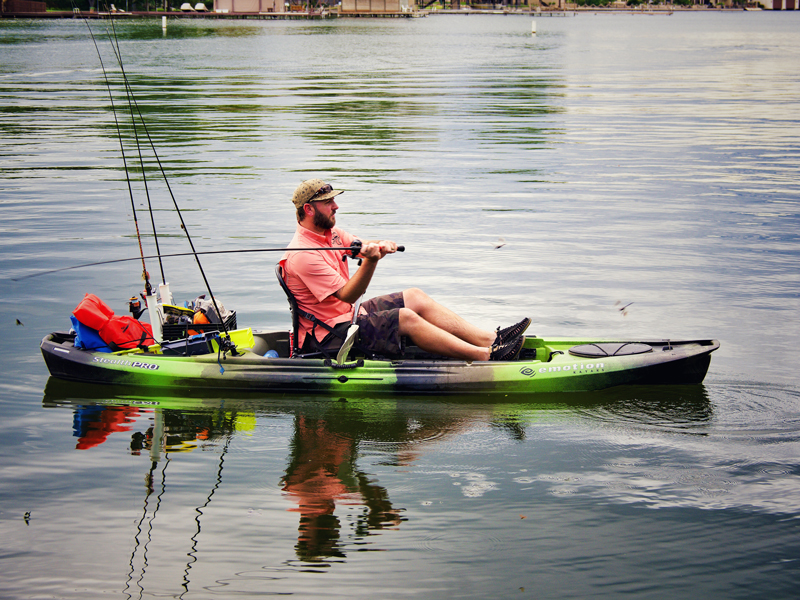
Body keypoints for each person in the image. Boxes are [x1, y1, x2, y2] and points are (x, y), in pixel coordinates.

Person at [280, 179, 530, 361]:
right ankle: (486, 356)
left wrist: (379, 245)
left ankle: (491, 339)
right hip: (329, 333)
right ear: (309, 209)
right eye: (328, 202)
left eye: (334, 200)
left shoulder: (331, 235)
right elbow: (348, 295)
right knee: (405, 317)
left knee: (415, 296)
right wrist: (372, 260)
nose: (335, 206)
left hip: (347, 316)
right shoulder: (303, 255)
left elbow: (361, 247)